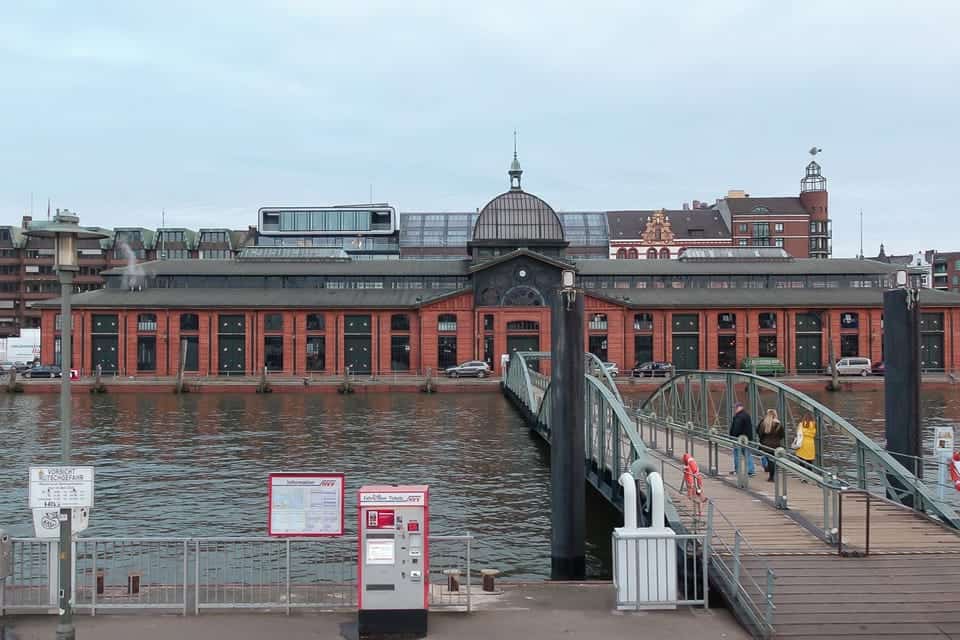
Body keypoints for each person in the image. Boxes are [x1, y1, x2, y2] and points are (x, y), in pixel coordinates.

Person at [729, 401, 756, 476]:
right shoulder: (746, 415)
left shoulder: (739, 416)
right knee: (747, 454)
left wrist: (732, 437)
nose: (735, 409)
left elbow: (736, 428)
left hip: (739, 439)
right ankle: (751, 470)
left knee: (737, 454)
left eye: (736, 407)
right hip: (747, 438)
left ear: (739, 407)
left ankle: (738, 470)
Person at [758, 408, 784, 482]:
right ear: (775, 415)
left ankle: (771, 476)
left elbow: (760, 433)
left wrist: (762, 441)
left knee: (769, 460)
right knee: (773, 460)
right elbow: (782, 435)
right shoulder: (778, 424)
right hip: (776, 445)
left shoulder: (764, 423)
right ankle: (772, 475)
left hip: (766, 445)